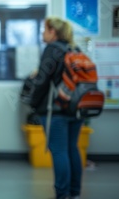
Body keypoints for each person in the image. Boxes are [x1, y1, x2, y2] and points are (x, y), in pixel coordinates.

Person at [27, 17, 82, 199]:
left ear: (53, 31)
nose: (42, 33)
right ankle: (74, 192)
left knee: (59, 151)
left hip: (56, 111)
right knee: (72, 149)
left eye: (44, 29)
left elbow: (42, 82)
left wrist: (33, 103)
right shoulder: (74, 49)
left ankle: (62, 193)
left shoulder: (52, 50)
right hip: (76, 108)